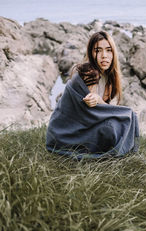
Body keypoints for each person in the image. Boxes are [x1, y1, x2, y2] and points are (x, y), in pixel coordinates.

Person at [46, 31, 139, 159]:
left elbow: (102, 109)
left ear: (114, 53)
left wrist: (100, 101)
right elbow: (92, 111)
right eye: (98, 51)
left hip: (83, 125)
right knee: (115, 125)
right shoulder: (89, 72)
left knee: (123, 119)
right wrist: (95, 100)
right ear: (91, 53)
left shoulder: (109, 76)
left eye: (108, 50)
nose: (104, 56)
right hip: (64, 134)